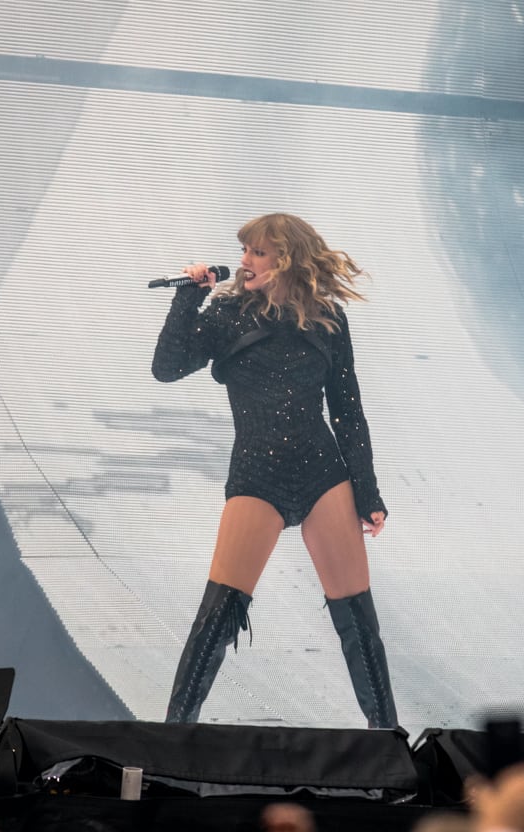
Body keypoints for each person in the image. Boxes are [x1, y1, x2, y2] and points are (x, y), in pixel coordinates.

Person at [152, 212, 397, 728]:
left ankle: (386, 740)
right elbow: (167, 368)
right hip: (257, 474)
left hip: (322, 472)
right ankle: (173, 737)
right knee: (217, 615)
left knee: (357, 618)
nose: (245, 261)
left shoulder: (327, 317)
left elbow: (347, 410)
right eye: (245, 251)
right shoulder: (227, 313)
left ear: (287, 258)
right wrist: (188, 296)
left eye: (257, 252)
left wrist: (367, 491)